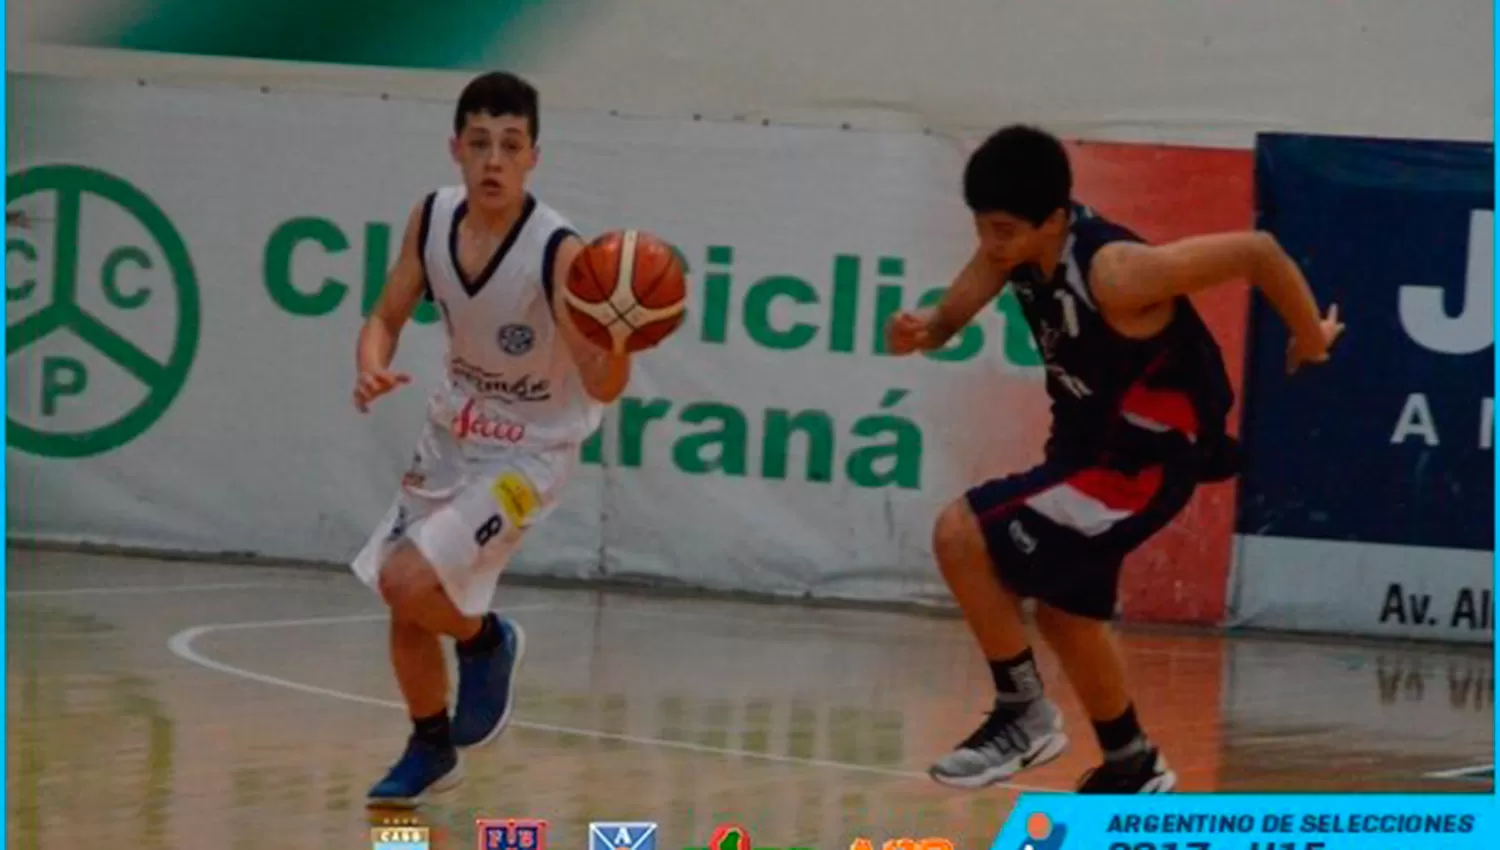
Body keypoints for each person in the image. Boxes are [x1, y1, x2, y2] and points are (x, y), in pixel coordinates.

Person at [887, 125, 1342, 793]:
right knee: (1066, 613)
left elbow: (1258, 250)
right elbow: (949, 317)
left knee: (962, 534)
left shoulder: (1117, 271)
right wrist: (922, 329)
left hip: (1141, 461)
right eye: (984, 227)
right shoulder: (1011, 249)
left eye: (1006, 230)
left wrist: (1311, 339)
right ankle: (1129, 761)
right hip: (1085, 447)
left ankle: (1023, 715)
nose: (991, 244)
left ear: (1056, 219)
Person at [350, 71, 637, 806]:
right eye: (479, 143)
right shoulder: (432, 219)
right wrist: (372, 366)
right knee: (403, 602)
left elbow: (602, 385)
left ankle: (483, 640)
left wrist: (625, 336)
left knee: (407, 579)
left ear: (534, 156)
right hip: (453, 434)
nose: (493, 160)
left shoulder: (559, 253)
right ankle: (431, 746)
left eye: (510, 146)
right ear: (455, 148)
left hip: (529, 455)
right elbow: (384, 315)